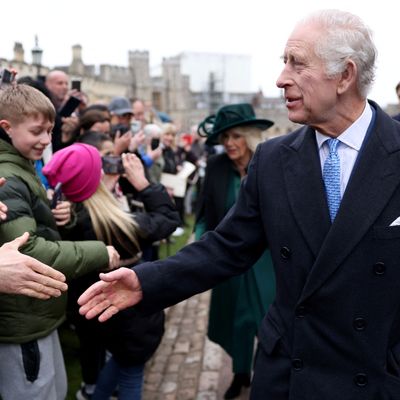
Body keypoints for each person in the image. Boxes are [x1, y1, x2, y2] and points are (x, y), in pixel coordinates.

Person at [78, 9, 400, 399]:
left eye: (297, 64)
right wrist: (147, 280)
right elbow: (226, 246)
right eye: (284, 62)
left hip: (376, 376)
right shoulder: (273, 160)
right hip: (289, 376)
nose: (281, 79)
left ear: (345, 76)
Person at [0, 84, 119, 400]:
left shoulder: (22, 167)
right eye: (36, 131)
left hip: (37, 313)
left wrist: (56, 216)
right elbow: (27, 251)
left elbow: (32, 227)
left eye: (49, 131)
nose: (45, 140)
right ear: (6, 128)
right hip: (21, 321)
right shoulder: (9, 177)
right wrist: (99, 252)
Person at [43, 142, 180, 400]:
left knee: (117, 363)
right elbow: (168, 219)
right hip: (130, 317)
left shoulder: (66, 221)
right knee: (130, 373)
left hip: (94, 316)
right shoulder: (118, 224)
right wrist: (144, 185)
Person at [196, 103, 275, 398]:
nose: (229, 144)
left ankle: (265, 377)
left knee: (266, 320)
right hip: (228, 257)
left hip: (266, 260)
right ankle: (240, 375)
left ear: (250, 137)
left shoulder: (269, 162)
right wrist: (201, 240)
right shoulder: (216, 167)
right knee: (236, 321)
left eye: (236, 136)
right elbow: (205, 212)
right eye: (224, 138)